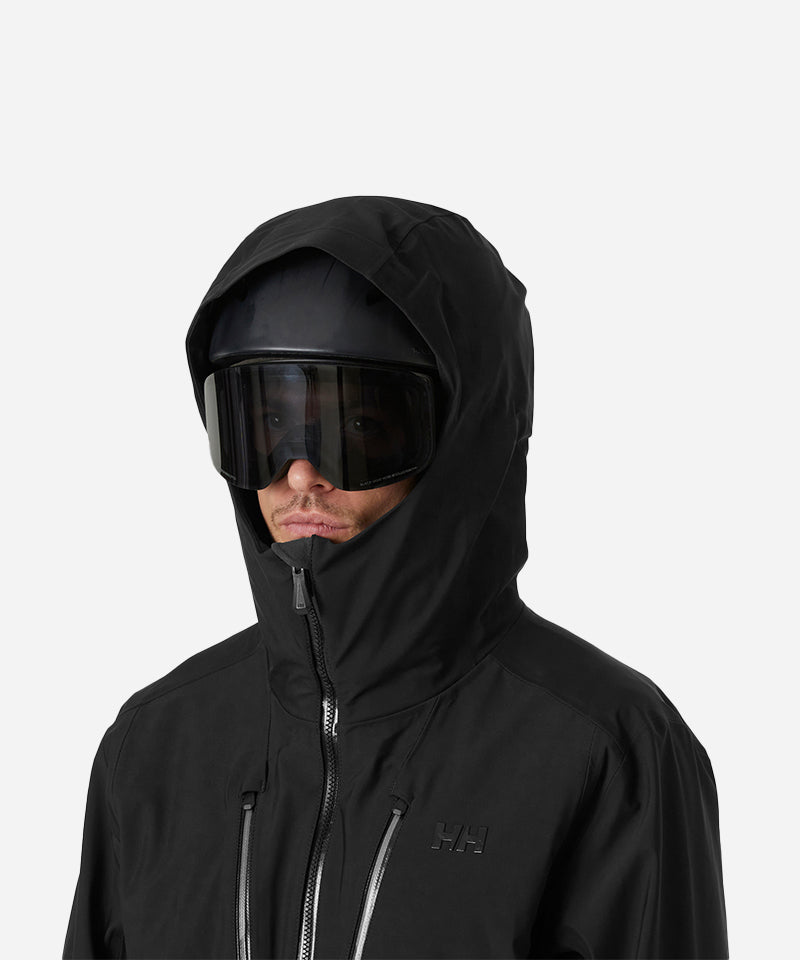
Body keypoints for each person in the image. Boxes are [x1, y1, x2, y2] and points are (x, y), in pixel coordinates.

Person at [63, 196, 729, 960]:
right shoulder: (154, 747)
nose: (300, 475)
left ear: (465, 437)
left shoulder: (605, 749)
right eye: (266, 426)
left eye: (358, 427)